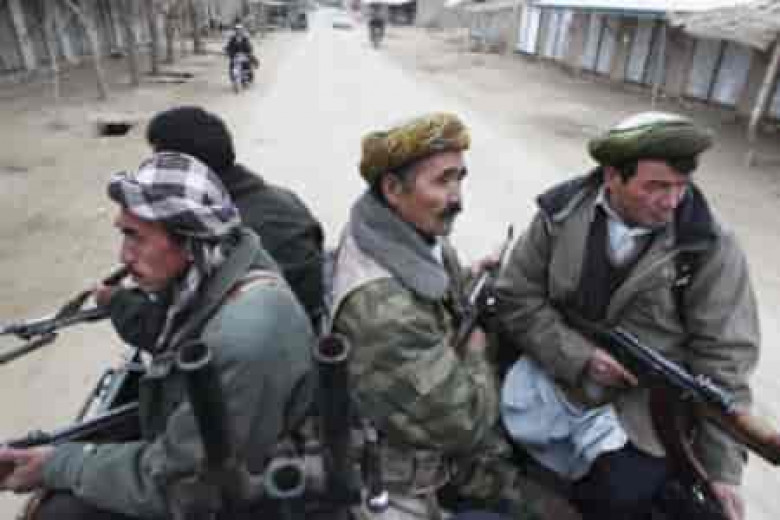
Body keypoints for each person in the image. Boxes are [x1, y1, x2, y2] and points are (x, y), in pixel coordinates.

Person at [0, 152, 315, 519]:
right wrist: (118, 303)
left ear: (189, 242)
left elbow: (182, 486)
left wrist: (58, 465)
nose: (124, 256)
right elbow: (168, 333)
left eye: (135, 237)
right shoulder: (223, 263)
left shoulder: (244, 337)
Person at [495, 112, 759, 520]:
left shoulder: (708, 246)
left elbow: (725, 359)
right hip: (553, 373)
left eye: (681, 185)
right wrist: (580, 357)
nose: (672, 201)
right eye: (656, 186)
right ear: (612, 176)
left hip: (644, 410)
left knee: (622, 496)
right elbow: (516, 295)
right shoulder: (561, 213)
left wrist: (722, 471)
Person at [329, 113, 540, 519]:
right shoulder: (383, 310)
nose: (458, 198)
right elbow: (467, 424)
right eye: (442, 181)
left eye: (460, 178)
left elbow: (432, 290)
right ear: (393, 189)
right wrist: (476, 349)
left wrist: (471, 279)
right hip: (417, 483)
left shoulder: (401, 230)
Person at [144, 106, 325, 327]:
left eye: (160, 165)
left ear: (185, 169)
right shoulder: (286, 199)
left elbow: (172, 324)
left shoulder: (215, 231)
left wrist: (117, 301)